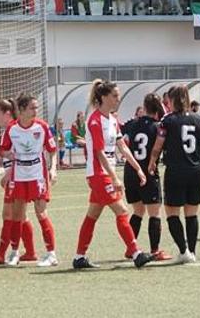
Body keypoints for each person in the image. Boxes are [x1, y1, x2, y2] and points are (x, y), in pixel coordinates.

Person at [72, 79, 153, 270]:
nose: (118, 99)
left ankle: (79, 257)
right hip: (99, 173)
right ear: (103, 97)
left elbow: (122, 146)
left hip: (105, 172)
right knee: (122, 211)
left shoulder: (112, 119)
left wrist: (137, 168)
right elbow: (99, 153)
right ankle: (136, 253)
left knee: (92, 214)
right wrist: (115, 178)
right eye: (115, 95)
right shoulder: (94, 120)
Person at [148, 85, 200, 264]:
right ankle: (192, 251)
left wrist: (152, 162)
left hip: (175, 171)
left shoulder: (167, 120)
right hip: (195, 170)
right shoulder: (198, 119)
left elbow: (158, 145)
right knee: (192, 213)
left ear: (172, 99)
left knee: (172, 213)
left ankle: (184, 251)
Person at [0, 93, 59, 267]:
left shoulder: (42, 127)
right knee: (18, 214)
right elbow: (2, 150)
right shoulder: (12, 128)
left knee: (41, 212)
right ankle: (14, 253)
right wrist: (8, 154)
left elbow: (52, 150)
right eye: (32, 108)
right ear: (22, 110)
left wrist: (53, 169)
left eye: (36, 108)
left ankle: (51, 254)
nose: (36, 111)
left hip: (37, 174)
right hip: (19, 175)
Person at [0, 99, 37, 265]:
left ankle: (2, 253)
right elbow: (3, 153)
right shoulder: (8, 130)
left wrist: (9, 173)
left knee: (9, 214)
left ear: (8, 113)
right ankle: (30, 252)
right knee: (21, 215)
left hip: (17, 176)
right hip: (14, 175)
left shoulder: (16, 128)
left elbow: (21, 154)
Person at [121, 93, 169, 261]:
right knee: (154, 213)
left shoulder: (132, 124)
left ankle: (131, 248)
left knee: (138, 211)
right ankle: (155, 250)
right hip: (148, 172)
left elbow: (119, 132)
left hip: (130, 172)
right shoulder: (158, 127)